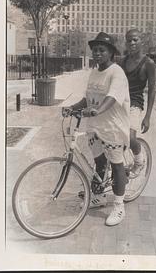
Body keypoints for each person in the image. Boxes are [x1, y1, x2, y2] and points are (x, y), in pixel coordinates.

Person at [62, 32, 130, 226]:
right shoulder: (94, 71)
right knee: (99, 161)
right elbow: (88, 97)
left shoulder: (116, 72)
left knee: (116, 165)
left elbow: (111, 98)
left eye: (102, 50)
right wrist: (73, 108)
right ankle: (98, 196)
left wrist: (97, 110)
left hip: (112, 127)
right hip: (95, 126)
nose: (97, 53)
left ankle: (119, 206)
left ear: (111, 52)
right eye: (95, 50)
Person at [119, 27, 156, 200]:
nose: (132, 43)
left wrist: (147, 116)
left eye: (135, 39)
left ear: (141, 41)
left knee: (131, 137)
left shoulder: (148, 63)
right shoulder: (122, 61)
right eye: (129, 40)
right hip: (121, 103)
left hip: (135, 103)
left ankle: (139, 161)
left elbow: (153, 89)